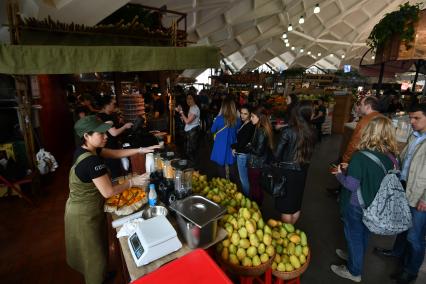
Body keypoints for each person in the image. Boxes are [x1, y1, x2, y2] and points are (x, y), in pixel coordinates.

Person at [65, 115, 159, 284]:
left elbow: (115, 153)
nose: (106, 136)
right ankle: (96, 279)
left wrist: (139, 150)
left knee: (99, 247)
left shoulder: (88, 150)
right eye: (101, 133)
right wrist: (132, 182)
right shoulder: (91, 161)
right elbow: (108, 192)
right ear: (86, 136)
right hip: (83, 214)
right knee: (94, 256)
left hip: (87, 208)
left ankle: (100, 276)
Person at [330, 115, 399, 283]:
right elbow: (375, 175)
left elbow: (351, 185)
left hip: (356, 204)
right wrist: (352, 168)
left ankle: (354, 271)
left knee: (353, 235)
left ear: (369, 132)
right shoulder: (392, 158)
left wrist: (339, 174)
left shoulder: (360, 156)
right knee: (363, 235)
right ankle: (354, 256)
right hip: (374, 206)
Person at [374, 103, 426, 284]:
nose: (412, 121)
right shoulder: (415, 135)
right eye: (410, 117)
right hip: (406, 186)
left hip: (421, 195)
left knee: (415, 236)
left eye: (417, 118)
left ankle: (411, 271)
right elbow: (405, 159)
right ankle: (397, 252)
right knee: (403, 224)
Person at [328, 96, 381, 197]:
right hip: (373, 158)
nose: (359, 107)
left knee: (350, 181)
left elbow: (355, 143)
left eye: (361, 105)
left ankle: (342, 196)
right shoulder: (382, 119)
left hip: (360, 155)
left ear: (368, 106)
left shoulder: (365, 121)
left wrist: (346, 159)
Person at [273, 101, 316, 224]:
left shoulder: (288, 131)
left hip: (287, 172)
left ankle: (287, 231)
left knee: (286, 205)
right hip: (303, 171)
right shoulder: (312, 132)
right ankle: (291, 229)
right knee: (296, 203)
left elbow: (276, 155)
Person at [97, 95, 133, 178]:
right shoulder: (105, 117)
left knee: (114, 168)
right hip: (109, 146)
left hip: (108, 146)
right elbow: (114, 133)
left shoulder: (102, 115)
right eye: (113, 104)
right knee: (115, 170)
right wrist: (125, 126)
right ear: (107, 105)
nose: (114, 106)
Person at [247, 107, 274, 205]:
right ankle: (258, 205)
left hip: (256, 164)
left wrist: (249, 146)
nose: (251, 119)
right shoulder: (263, 128)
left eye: (253, 116)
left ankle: (256, 206)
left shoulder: (261, 130)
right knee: (257, 186)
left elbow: (258, 151)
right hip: (260, 164)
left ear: (260, 117)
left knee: (255, 187)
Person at [210, 97, 240, 180]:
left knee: (220, 167)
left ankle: (223, 184)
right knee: (232, 167)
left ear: (223, 107)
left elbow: (212, 130)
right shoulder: (237, 120)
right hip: (232, 146)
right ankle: (233, 185)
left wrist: (218, 115)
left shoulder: (219, 119)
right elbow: (238, 129)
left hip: (220, 146)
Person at [231, 105, 255, 197]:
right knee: (245, 178)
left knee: (244, 179)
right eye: (241, 113)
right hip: (243, 153)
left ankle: (246, 198)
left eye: (245, 114)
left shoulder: (249, 125)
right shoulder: (244, 123)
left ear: (249, 115)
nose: (242, 115)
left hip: (242, 155)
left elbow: (242, 143)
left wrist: (233, 146)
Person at [176, 94, 200, 163]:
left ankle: (193, 168)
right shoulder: (191, 107)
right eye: (187, 99)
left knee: (191, 152)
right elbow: (187, 120)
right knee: (188, 151)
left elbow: (188, 121)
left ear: (194, 99)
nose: (188, 100)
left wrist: (181, 112)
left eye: (190, 98)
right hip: (190, 131)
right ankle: (190, 167)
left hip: (193, 132)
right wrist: (182, 116)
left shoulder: (195, 108)